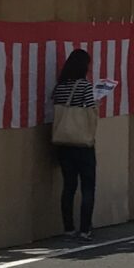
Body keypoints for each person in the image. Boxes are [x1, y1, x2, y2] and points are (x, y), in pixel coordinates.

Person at [46, 47, 109, 240]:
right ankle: (85, 229)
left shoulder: (60, 86)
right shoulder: (84, 86)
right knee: (88, 186)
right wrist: (99, 100)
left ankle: (68, 227)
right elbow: (90, 109)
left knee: (69, 186)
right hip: (83, 143)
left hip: (63, 142)